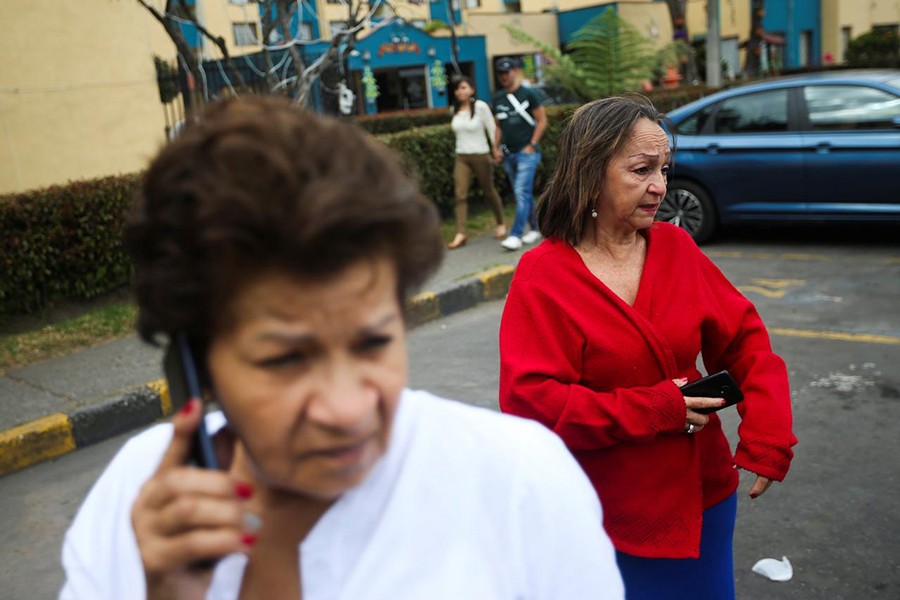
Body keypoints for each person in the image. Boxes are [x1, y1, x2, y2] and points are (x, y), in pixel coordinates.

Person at [59, 96, 625, 600]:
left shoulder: (519, 482)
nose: (348, 408)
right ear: (196, 365)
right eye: (284, 360)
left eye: (373, 342)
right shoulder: (139, 500)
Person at [498, 95, 797, 600]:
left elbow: (745, 342)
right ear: (590, 172)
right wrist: (657, 408)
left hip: (703, 492)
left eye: (664, 168)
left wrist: (768, 433)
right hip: (600, 505)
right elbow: (532, 402)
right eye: (641, 170)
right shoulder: (543, 275)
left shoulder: (677, 247)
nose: (660, 185)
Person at [491, 57, 547, 251]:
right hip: (508, 154)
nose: (504, 76)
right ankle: (536, 227)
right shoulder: (497, 98)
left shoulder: (528, 94)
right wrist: (495, 148)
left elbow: (542, 120)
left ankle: (515, 234)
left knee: (521, 193)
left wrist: (532, 144)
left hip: (527, 153)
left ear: (515, 71)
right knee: (525, 194)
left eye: (507, 72)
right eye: (500, 73)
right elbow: (498, 126)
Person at [448, 75, 506, 250]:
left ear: (472, 89)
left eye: (464, 87)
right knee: (460, 194)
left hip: (480, 154)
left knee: (488, 190)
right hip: (462, 156)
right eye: (457, 88)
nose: (460, 91)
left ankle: (501, 222)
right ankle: (460, 233)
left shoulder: (480, 107)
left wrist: (495, 149)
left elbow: (492, 128)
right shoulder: (454, 109)